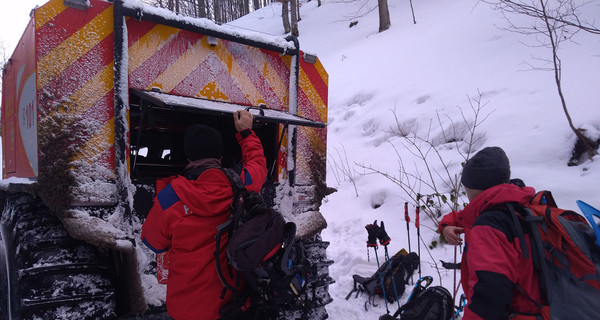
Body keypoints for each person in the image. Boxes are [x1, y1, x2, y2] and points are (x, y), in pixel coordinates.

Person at [141, 110, 267, 320]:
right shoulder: (242, 184)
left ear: (188, 157)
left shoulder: (168, 198)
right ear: (220, 156)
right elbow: (257, 162)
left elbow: (154, 243)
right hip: (234, 305)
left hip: (186, 311)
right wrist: (245, 132)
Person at [438, 147, 543, 320]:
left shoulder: (489, 225)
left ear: (476, 186)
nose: (466, 192)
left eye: (466, 187)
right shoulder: (519, 205)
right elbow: (463, 217)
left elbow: (488, 298)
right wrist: (446, 226)